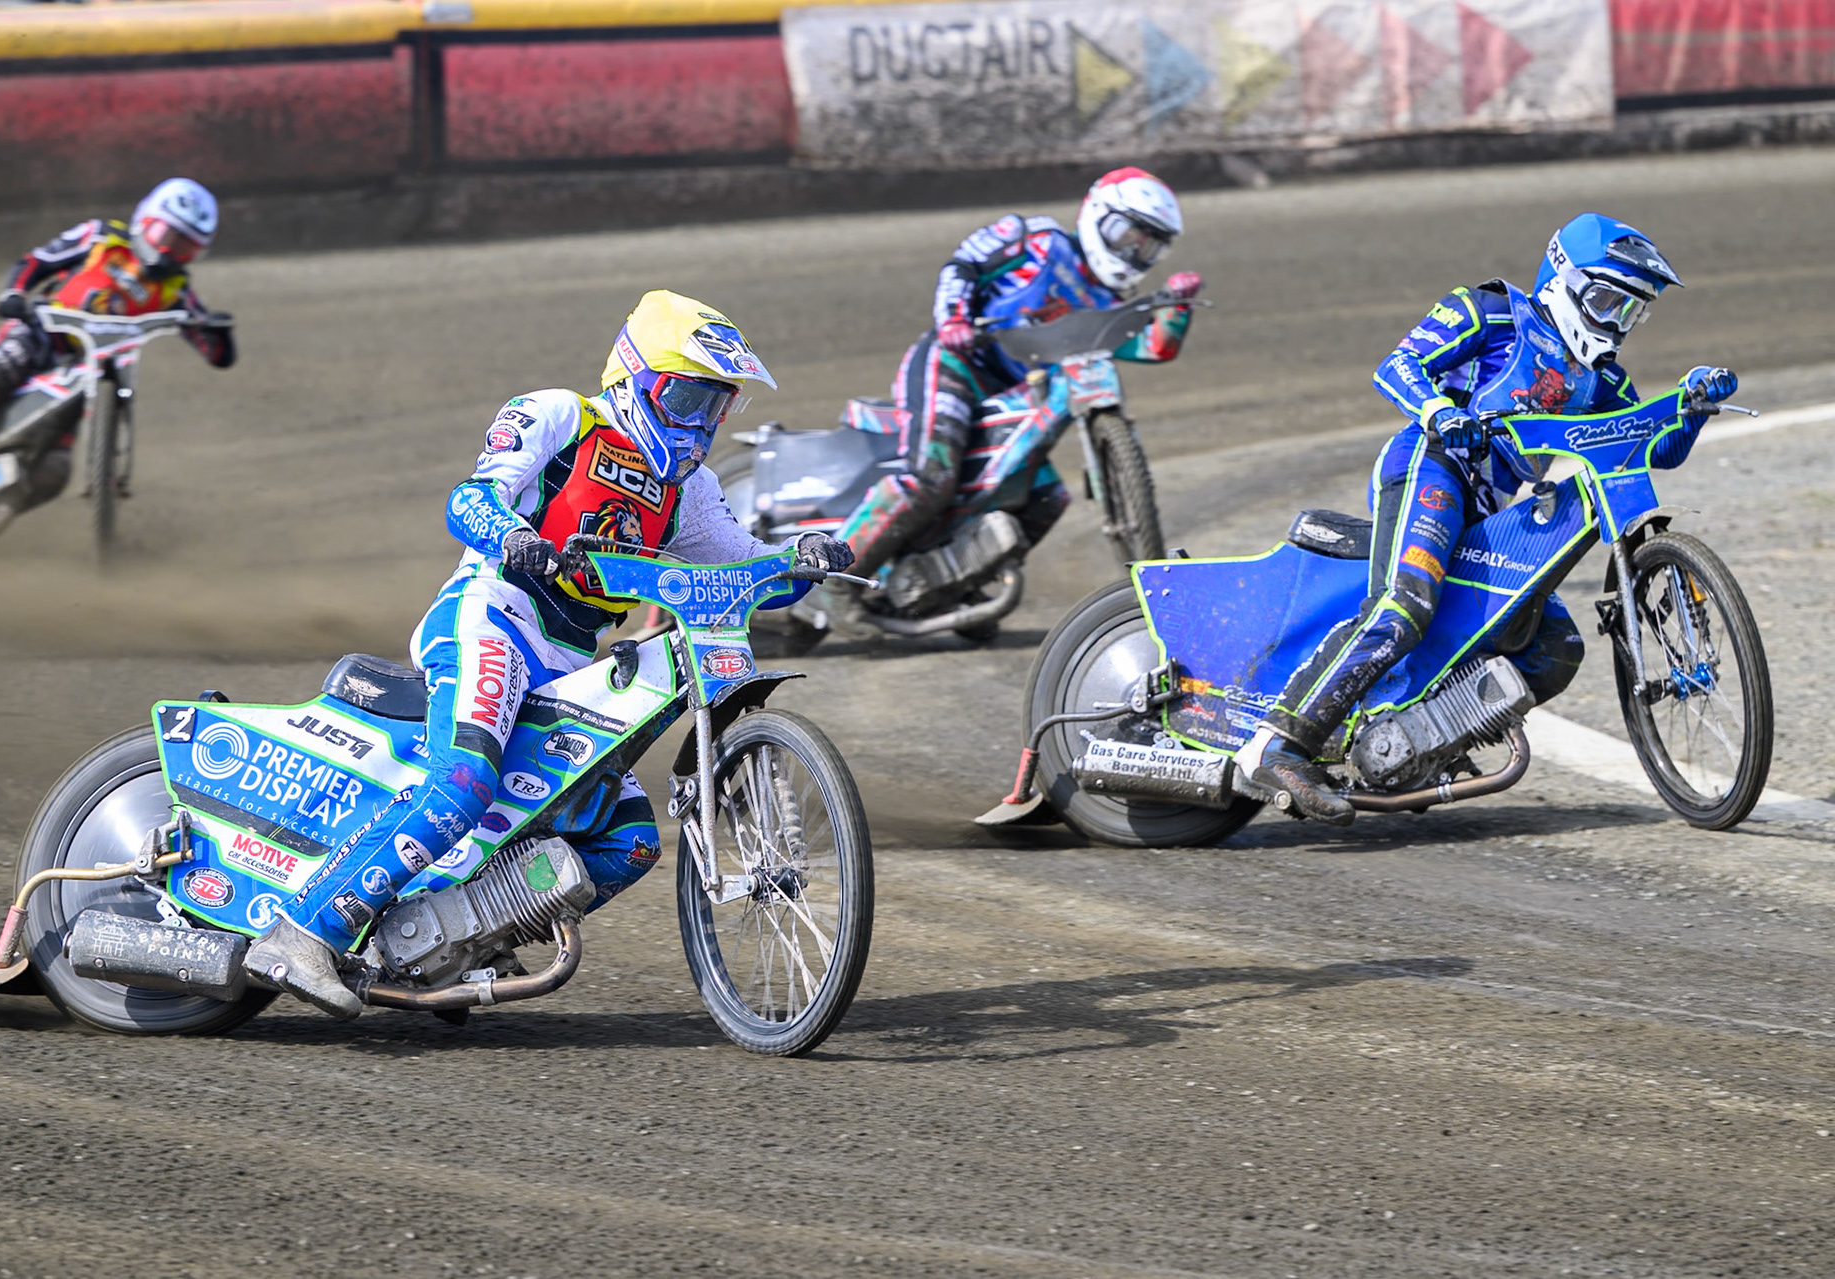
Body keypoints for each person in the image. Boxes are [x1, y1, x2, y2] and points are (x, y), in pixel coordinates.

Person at [244, 290, 854, 1018]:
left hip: (570, 663)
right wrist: (513, 537)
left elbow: (744, 568)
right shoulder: (562, 416)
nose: (699, 425)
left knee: (628, 842)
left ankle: (455, 939)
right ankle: (305, 932)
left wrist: (800, 558)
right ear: (635, 380)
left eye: (715, 405)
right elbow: (470, 498)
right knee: (465, 781)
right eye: (686, 397)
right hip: (492, 616)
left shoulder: (690, 491)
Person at [1234, 212, 1737, 824]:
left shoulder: (1605, 381)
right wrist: (1441, 412)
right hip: (1433, 465)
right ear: (1564, 280)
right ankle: (1278, 746)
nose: (1616, 324)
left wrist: (1692, 406)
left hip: (1495, 511)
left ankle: (1421, 742)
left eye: (1631, 311)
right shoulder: (1492, 311)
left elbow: (1653, 449)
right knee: (1405, 606)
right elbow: (1397, 365)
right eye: (1607, 301)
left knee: (1554, 645)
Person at [822, 167, 1205, 623]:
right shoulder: (1034, 238)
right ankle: (831, 585)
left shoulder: (1112, 302)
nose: (1134, 250)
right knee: (930, 479)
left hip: (1014, 395)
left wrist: (1176, 309)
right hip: (954, 365)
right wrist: (954, 320)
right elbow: (964, 264)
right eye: (1128, 234)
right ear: (1097, 215)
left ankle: (939, 586)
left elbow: (1153, 346)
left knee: (1047, 499)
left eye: (1149, 245)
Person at [0, 178, 235, 502]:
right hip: (37, 333)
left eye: (185, 248)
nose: (169, 254)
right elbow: (36, 262)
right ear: (144, 220)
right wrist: (13, 294)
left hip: (86, 372)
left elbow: (217, 354)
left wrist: (219, 332)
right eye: (165, 238)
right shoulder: (101, 236)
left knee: (53, 471)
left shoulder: (177, 290)